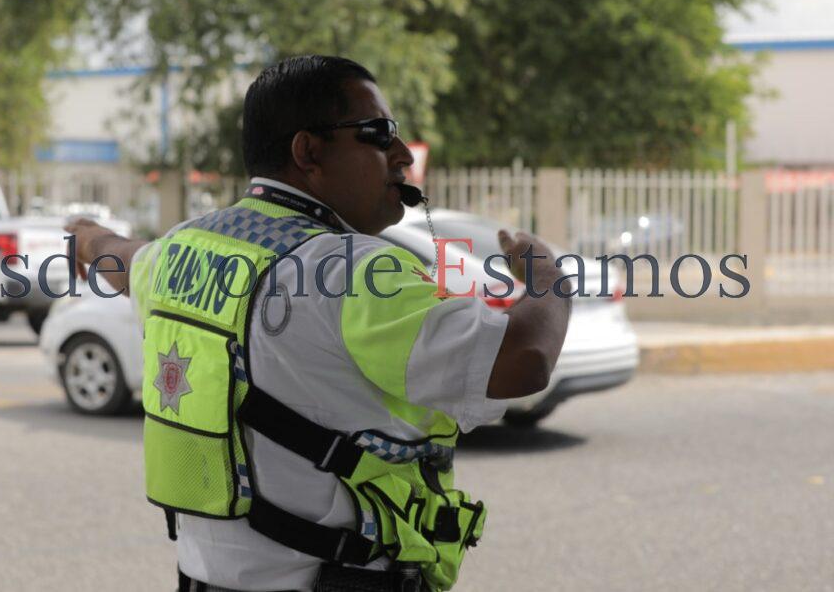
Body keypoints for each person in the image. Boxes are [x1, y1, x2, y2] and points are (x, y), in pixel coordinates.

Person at [66, 55, 571, 592]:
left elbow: (119, 257)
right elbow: (524, 360)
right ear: (308, 151)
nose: (402, 155)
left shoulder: (180, 250)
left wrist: (85, 234)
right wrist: (547, 274)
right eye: (378, 134)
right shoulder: (355, 270)